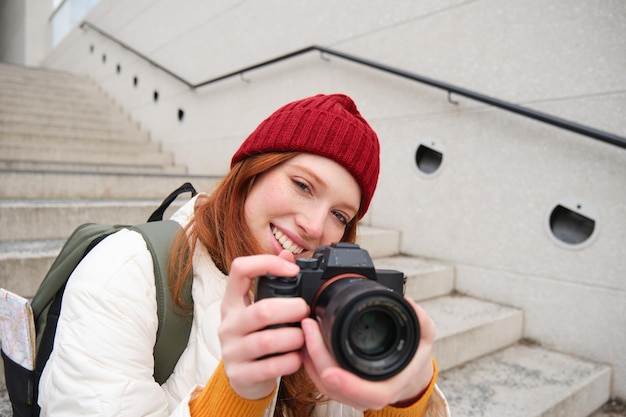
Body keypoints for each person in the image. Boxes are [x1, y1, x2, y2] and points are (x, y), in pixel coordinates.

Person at [38, 94, 450, 417]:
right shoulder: (127, 269)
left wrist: (406, 399)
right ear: (251, 172)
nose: (313, 226)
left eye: (340, 214)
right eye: (303, 186)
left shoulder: (336, 300)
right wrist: (234, 396)